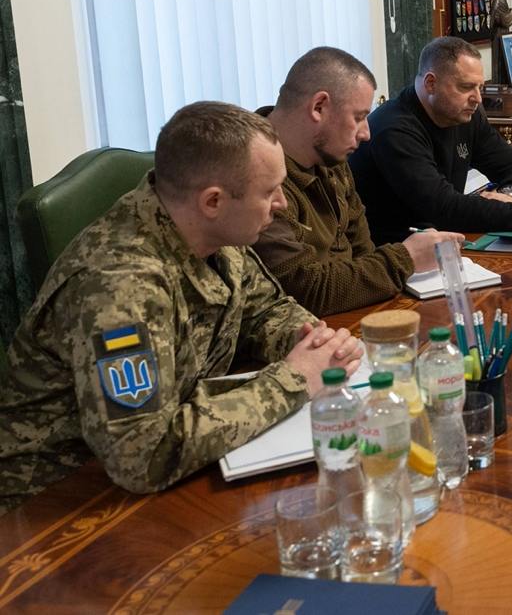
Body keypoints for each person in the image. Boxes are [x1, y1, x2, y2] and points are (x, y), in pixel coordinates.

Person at [0, 103, 361, 512]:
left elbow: (265, 309)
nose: (281, 203)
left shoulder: (215, 234)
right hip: (59, 503)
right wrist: (293, 380)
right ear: (213, 201)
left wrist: (311, 342)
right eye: (269, 191)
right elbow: (143, 454)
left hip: (166, 463)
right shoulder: (119, 283)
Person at [253, 47, 464, 316]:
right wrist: (406, 258)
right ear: (319, 107)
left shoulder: (331, 156)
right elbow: (304, 290)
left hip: (350, 318)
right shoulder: (254, 175)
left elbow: (363, 252)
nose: (366, 133)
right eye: (359, 117)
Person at [350, 37, 512, 241]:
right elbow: (444, 209)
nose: (477, 98)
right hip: (397, 256)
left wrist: (511, 195)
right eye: (466, 87)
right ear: (430, 84)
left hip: (445, 240)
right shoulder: (394, 129)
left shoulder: (466, 114)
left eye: (480, 87)